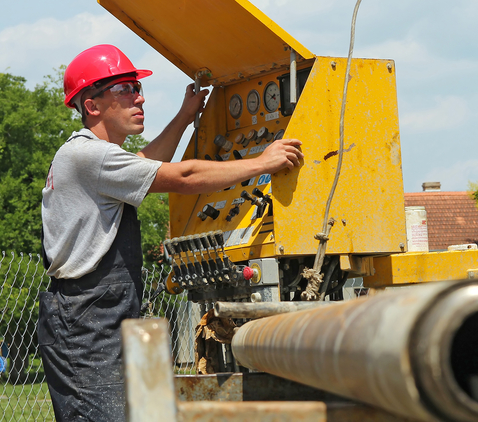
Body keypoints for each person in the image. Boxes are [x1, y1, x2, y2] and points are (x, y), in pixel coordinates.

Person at [37, 44, 303, 422]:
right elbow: (183, 177)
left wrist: (184, 116)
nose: (139, 97)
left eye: (137, 87)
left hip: (97, 318)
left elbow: (146, 163)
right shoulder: (88, 156)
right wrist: (262, 161)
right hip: (85, 324)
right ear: (91, 105)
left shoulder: (98, 158)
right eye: (124, 89)